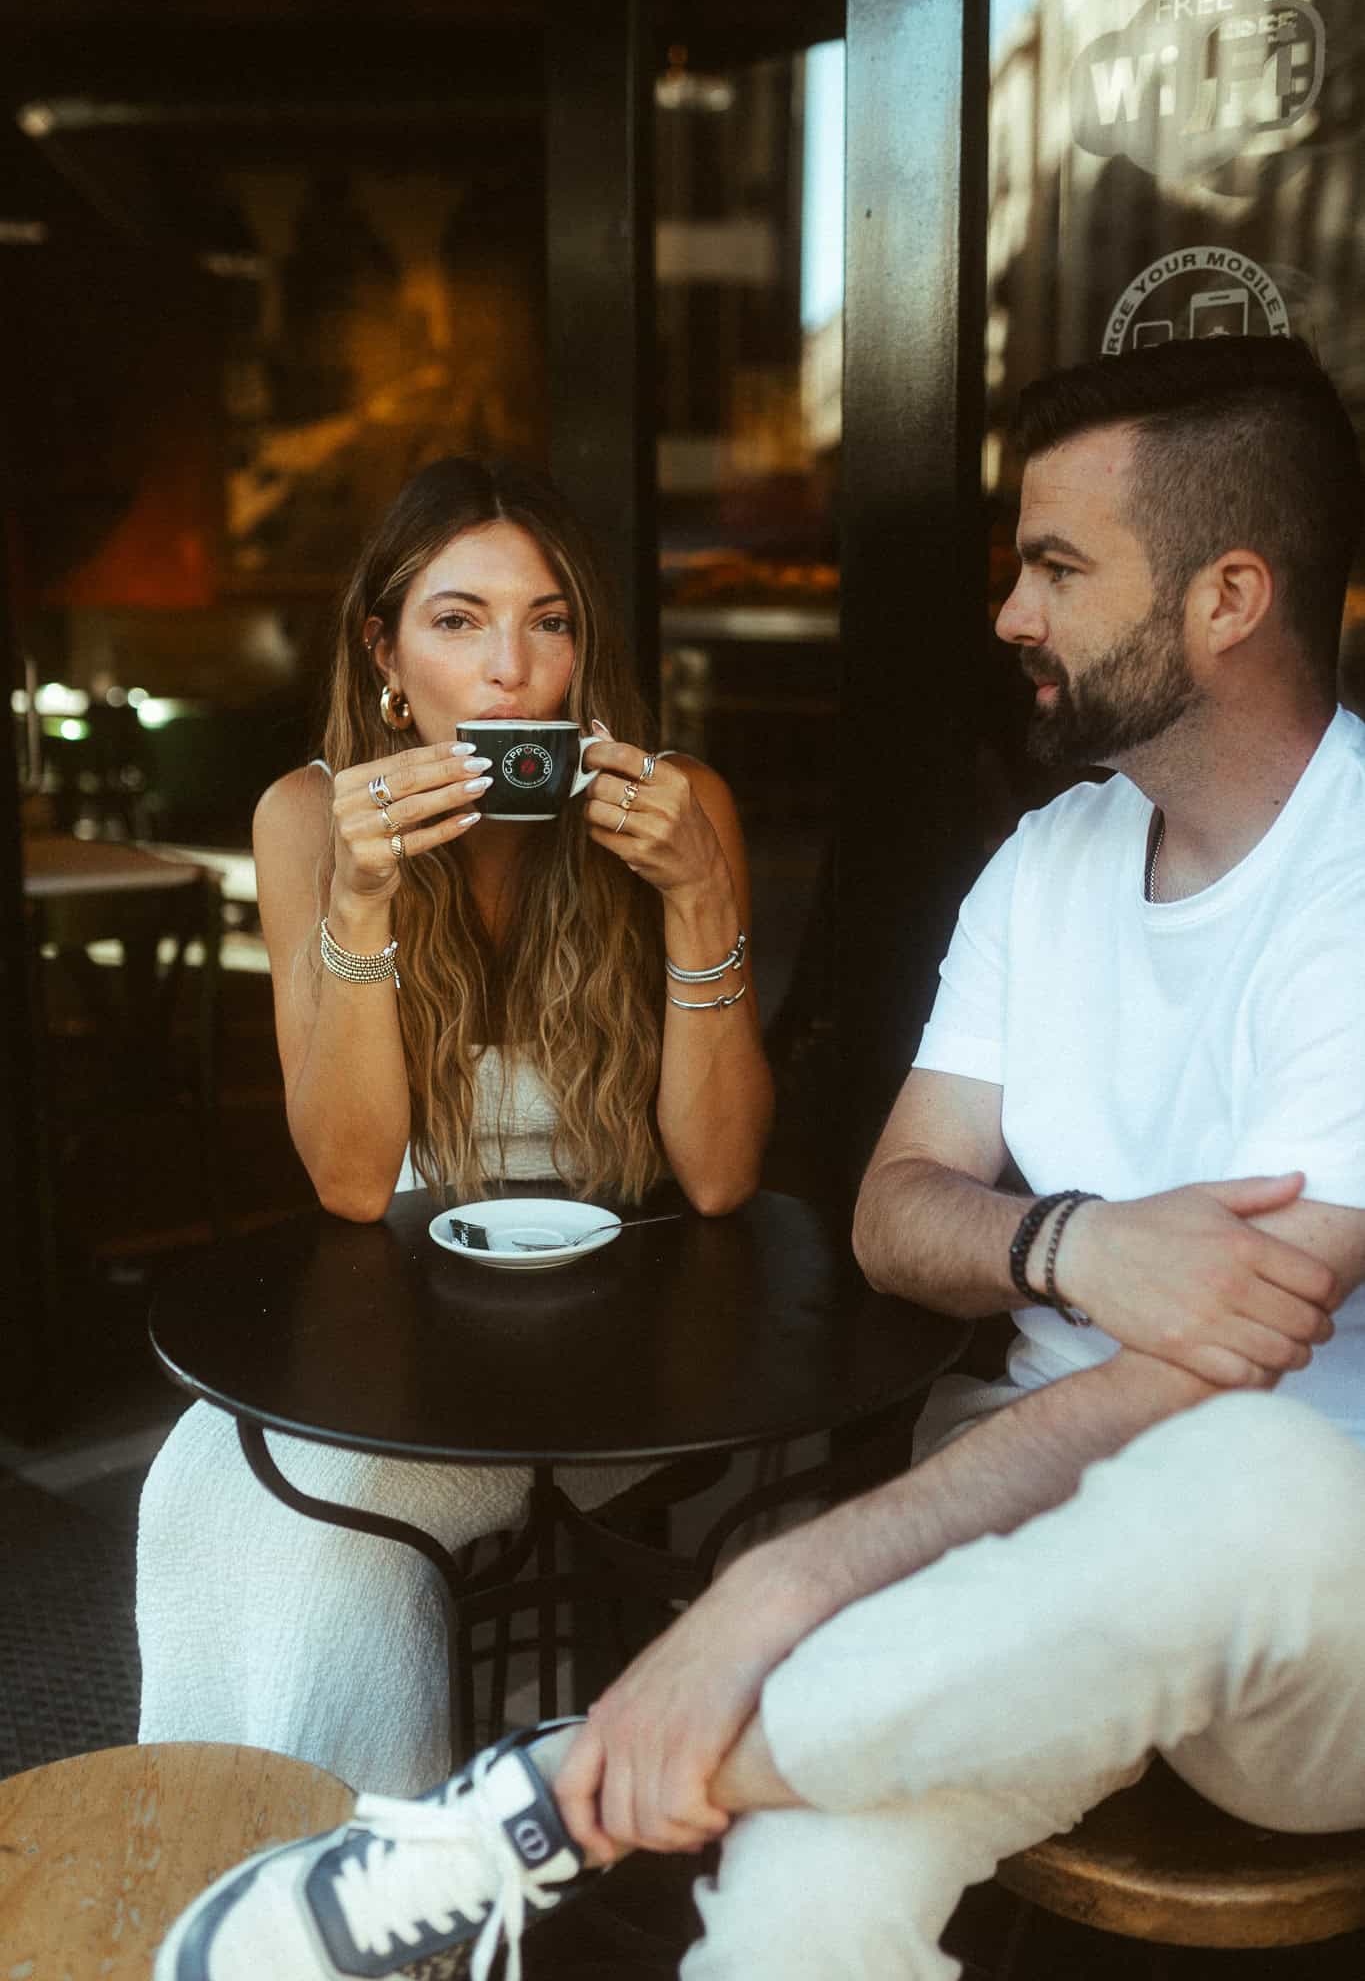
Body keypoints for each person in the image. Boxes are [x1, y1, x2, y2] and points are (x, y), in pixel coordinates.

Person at [154, 334, 1365, 1981]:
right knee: (812, 1897)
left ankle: (550, 1800)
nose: (1007, 613)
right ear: (385, 658)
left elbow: (1226, 1363)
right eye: (457, 621)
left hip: (1294, 1600)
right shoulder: (1050, 858)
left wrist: (770, 1597)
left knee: (1257, 1475)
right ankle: (420, 1853)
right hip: (1018, 1557)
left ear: (1225, 599)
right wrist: (1073, 1244)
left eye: (1053, 567)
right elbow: (891, 1211)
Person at [136, 455, 774, 1798]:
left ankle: (364, 1893)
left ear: (583, 651)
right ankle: (276, 1871)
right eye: (458, 619)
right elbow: (356, 1183)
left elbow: (718, 1182)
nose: (509, 671)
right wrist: (360, 907)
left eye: (548, 621)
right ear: (385, 651)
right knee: (208, 1481)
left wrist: (702, 898)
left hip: (629, 1339)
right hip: (411, 1329)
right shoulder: (310, 819)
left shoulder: (680, 806)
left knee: (315, 1536)